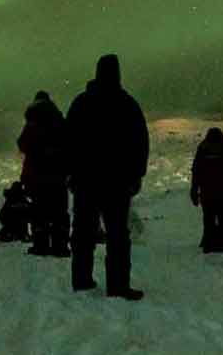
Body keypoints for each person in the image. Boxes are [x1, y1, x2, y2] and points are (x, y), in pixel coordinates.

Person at [65, 53, 149, 300]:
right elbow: (140, 143)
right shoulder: (127, 104)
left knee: (84, 234)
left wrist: (70, 173)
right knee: (117, 237)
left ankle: (81, 281)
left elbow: (67, 142)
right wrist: (136, 175)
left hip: (86, 181)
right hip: (116, 183)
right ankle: (118, 286)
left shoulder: (81, 103)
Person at [18, 90, 70, 256]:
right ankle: (60, 246)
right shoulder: (59, 120)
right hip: (57, 174)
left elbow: (22, 144)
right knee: (59, 212)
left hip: (36, 174)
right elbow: (70, 145)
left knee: (39, 211)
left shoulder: (32, 123)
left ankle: (40, 245)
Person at [190, 127, 223, 253]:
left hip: (207, 193)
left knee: (209, 219)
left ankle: (209, 244)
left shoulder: (202, 151)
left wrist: (194, 191)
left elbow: (196, 173)